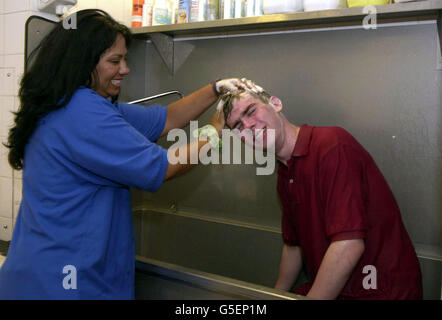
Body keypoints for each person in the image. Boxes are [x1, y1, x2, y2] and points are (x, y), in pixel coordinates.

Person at [0, 9, 246, 299]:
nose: (125, 69)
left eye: (124, 58)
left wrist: (216, 89)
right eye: (114, 61)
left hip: (38, 274)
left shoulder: (69, 102)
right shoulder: (83, 111)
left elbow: (165, 119)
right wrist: (216, 130)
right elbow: (165, 167)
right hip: (65, 284)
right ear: (82, 62)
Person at [220, 81, 423, 300]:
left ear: (276, 104)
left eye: (251, 111)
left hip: (382, 292)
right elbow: (293, 246)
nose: (248, 125)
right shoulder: (286, 172)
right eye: (238, 126)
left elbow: (349, 244)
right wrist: (274, 296)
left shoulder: (332, 145)